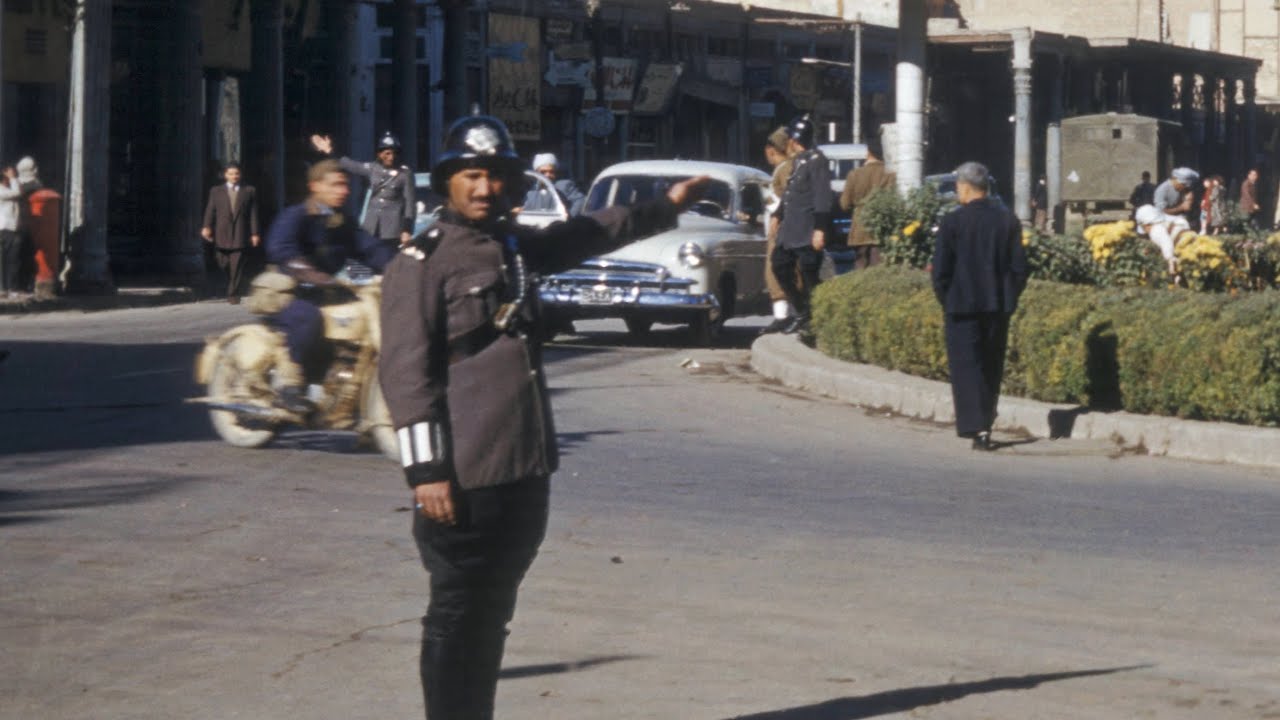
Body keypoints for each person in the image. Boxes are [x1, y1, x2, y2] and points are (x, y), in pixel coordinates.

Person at [377, 114, 708, 720]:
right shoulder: (421, 262)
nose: (485, 189)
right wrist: (426, 471)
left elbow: (585, 233)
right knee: (457, 612)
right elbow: (405, 374)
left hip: (523, 467)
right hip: (464, 475)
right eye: (471, 176)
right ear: (447, 182)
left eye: (497, 176)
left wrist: (664, 207)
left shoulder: (509, 245)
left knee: (493, 611)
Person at [264, 159, 396, 412]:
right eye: (336, 185)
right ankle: (287, 384)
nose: (344, 191)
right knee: (308, 319)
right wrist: (313, 275)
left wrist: (401, 268)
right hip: (293, 293)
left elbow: (370, 250)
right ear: (315, 186)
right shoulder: (296, 216)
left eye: (345, 185)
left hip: (327, 292)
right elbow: (281, 250)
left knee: (358, 320)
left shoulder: (342, 221)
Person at [930, 162, 1028, 451]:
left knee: (966, 368)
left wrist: (947, 299)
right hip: (997, 306)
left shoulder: (952, 223)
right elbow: (1019, 268)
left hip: (961, 307)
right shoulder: (1008, 220)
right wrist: (1009, 299)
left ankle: (976, 427)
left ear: (964, 186)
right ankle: (986, 420)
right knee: (991, 365)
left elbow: (940, 272)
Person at [771, 114, 832, 334]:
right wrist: (778, 215)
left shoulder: (817, 160)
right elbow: (789, 193)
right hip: (791, 228)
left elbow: (822, 196)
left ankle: (813, 316)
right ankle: (802, 309)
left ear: (795, 140)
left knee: (809, 274)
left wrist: (820, 228)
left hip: (807, 227)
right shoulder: (799, 160)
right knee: (779, 264)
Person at [311, 131, 415, 249]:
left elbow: (410, 205)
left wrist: (407, 230)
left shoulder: (405, 173)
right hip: (371, 227)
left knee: (390, 262)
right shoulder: (372, 169)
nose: (391, 157)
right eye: (387, 153)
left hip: (392, 230)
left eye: (394, 153)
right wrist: (329, 150)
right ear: (379, 154)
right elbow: (348, 164)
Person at [201, 163, 261, 303]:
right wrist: (206, 226)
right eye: (231, 174)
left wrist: (255, 233)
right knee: (222, 262)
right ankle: (231, 282)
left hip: (240, 232)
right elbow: (210, 209)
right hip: (221, 232)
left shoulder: (249, 191)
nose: (234, 176)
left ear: (240, 175)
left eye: (237, 174)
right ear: (225, 175)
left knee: (237, 264)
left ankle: (233, 293)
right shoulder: (216, 191)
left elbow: (253, 213)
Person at [838, 136, 895, 270]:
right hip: (882, 226)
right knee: (879, 267)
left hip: (860, 226)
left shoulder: (855, 174)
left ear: (868, 152)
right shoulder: (891, 174)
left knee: (860, 266)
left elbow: (844, 204)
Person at [759, 126, 794, 334]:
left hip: (781, 227)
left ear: (771, 150)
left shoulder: (785, 169)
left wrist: (773, 208)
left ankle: (782, 317)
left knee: (775, 271)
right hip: (782, 225)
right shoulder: (784, 169)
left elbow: (784, 200)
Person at [1134, 203, 1191, 276]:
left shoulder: (1155, 230)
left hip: (1184, 246)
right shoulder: (1167, 222)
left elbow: (1166, 242)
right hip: (1190, 238)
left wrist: (1169, 258)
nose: (1145, 232)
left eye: (1143, 227)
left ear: (1146, 224)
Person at [0, 166, 21, 298]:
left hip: (11, 227)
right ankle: (4, 288)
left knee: (12, 259)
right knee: (6, 260)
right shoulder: (1, 191)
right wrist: (13, 178)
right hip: (5, 228)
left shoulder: (6, 190)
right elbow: (17, 193)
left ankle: (10, 288)